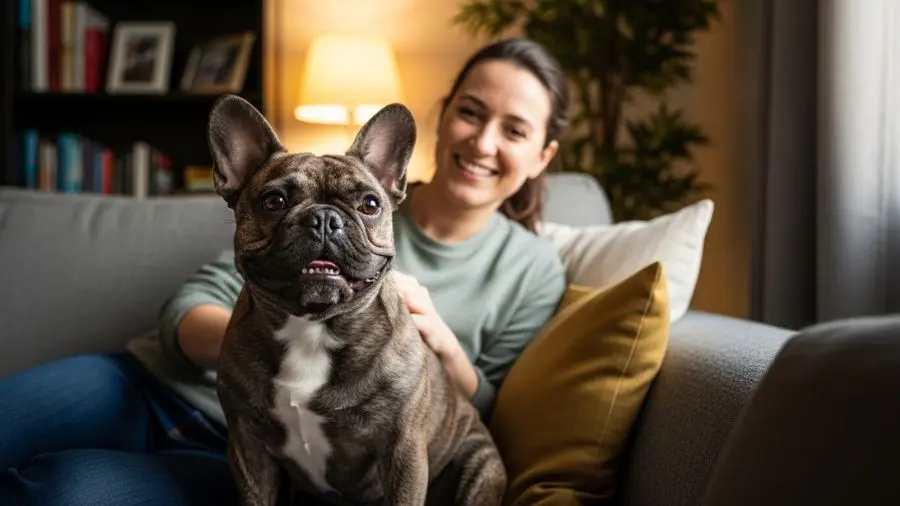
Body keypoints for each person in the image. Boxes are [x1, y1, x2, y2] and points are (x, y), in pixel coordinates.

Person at [0, 37, 570, 505]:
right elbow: (188, 306)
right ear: (443, 117)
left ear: (544, 153)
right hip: (164, 382)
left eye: (514, 129)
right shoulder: (336, 193)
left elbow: (495, 404)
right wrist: (258, 352)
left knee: (54, 491)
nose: (484, 141)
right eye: (471, 112)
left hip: (243, 460)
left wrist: (441, 342)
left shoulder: (530, 268)